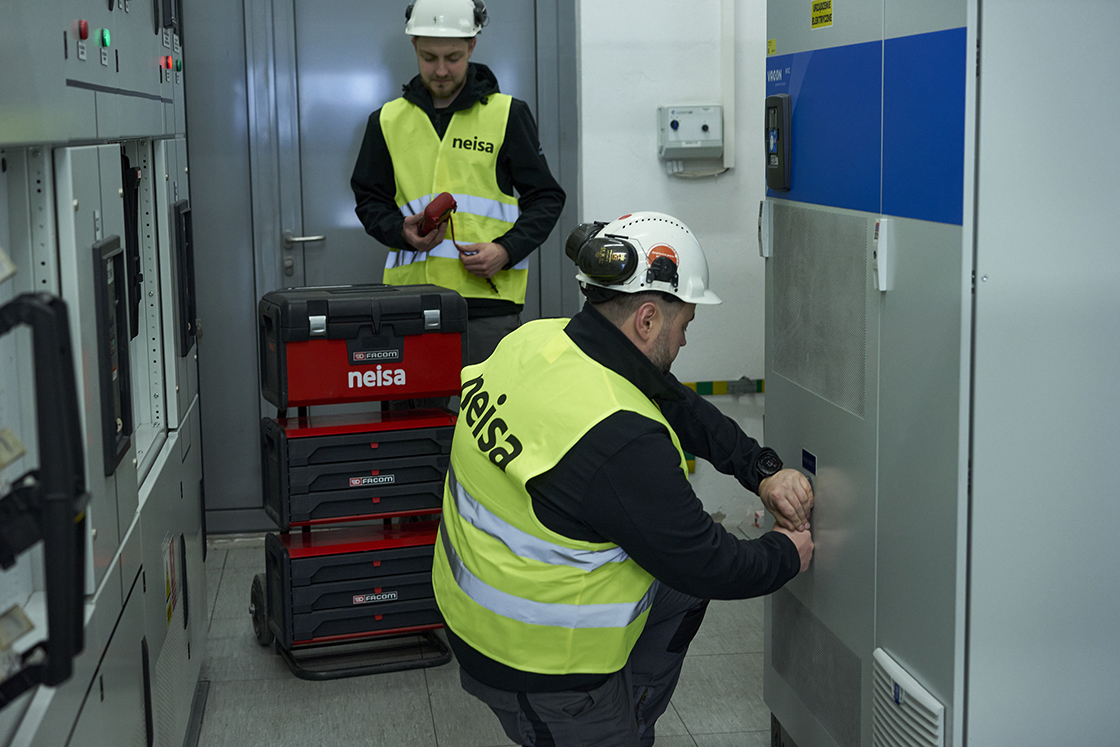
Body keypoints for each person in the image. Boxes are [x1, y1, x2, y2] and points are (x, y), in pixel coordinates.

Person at [431, 211, 816, 746]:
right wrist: (786, 552)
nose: (684, 342)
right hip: (535, 662)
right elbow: (709, 563)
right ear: (648, 319)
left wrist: (761, 470)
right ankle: (604, 726)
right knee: (690, 573)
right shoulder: (621, 438)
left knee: (679, 590)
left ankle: (624, 719)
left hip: (473, 607)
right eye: (684, 326)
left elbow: (673, 400)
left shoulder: (536, 341)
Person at [351, 0, 565, 365]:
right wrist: (400, 231)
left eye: (452, 57)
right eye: (429, 57)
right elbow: (370, 200)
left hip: (487, 307)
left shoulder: (507, 115)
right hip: (409, 305)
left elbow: (546, 197)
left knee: (489, 402)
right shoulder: (386, 121)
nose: (440, 70)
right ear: (414, 45)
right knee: (417, 405)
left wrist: (506, 250)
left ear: (472, 47)